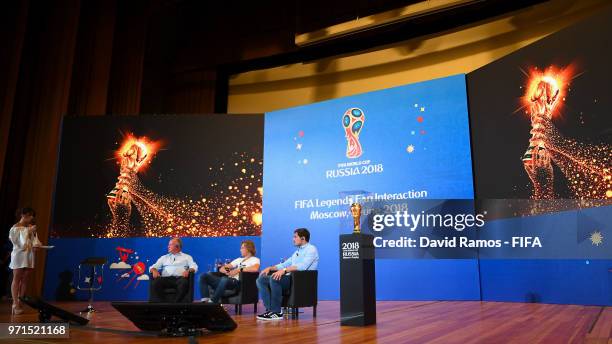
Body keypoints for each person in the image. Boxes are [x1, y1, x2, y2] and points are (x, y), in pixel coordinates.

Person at [256, 228, 319, 321]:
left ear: (303, 238)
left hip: (300, 281)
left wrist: (284, 270)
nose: (293, 239)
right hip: (291, 278)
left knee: (274, 278)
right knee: (261, 280)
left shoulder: (311, 249)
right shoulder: (297, 252)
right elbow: (284, 264)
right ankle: (271, 310)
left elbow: (303, 266)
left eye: (295, 237)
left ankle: (277, 312)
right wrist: (270, 268)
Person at [9, 207, 41, 315]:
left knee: (25, 279)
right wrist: (28, 231)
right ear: (23, 215)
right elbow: (17, 242)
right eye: (30, 215)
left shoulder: (30, 227)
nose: (32, 217)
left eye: (33, 215)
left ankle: (21, 301)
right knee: (17, 278)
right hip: (19, 254)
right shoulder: (15, 228)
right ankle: (15, 303)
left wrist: (36, 245)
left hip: (29, 255)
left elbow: (34, 241)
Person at [149, 237, 198, 302]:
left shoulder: (187, 257)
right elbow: (153, 267)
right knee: (155, 282)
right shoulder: (164, 257)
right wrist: (154, 270)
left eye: (170, 244)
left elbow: (194, 266)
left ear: (177, 246)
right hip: (166, 279)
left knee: (184, 283)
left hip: (179, 279)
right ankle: (163, 303)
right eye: (168, 245)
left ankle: (175, 303)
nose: (168, 246)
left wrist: (188, 270)